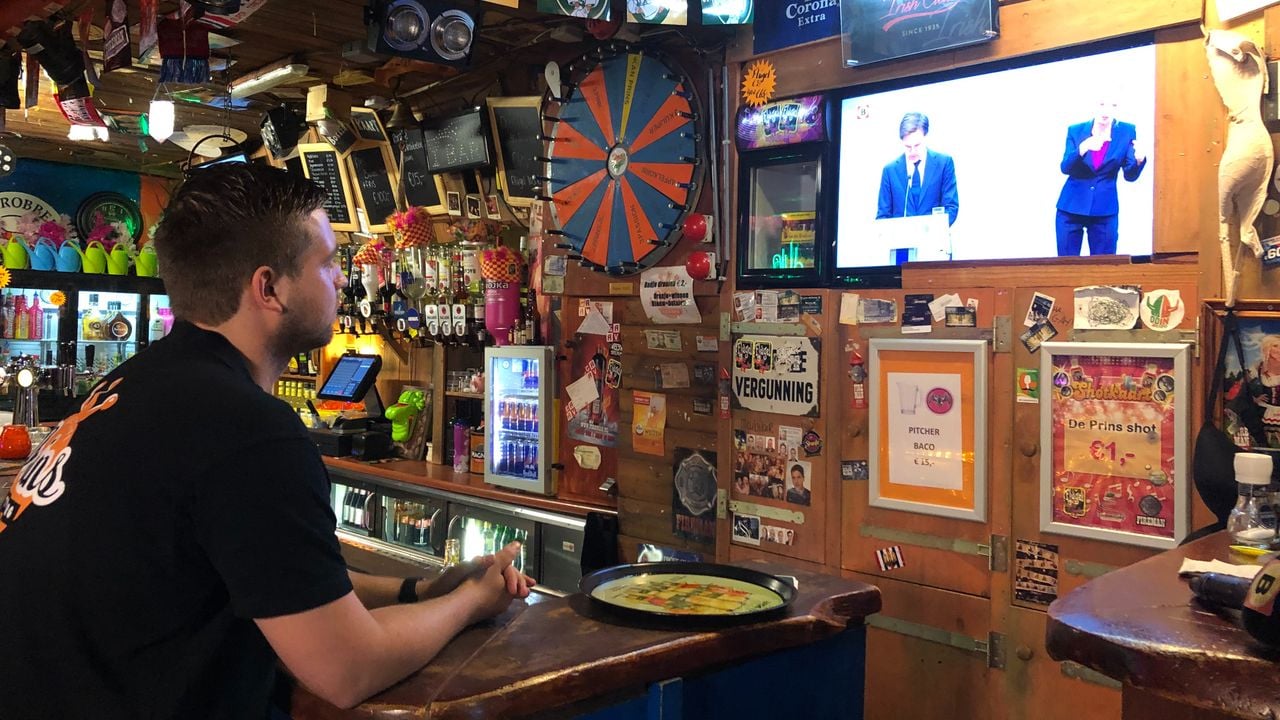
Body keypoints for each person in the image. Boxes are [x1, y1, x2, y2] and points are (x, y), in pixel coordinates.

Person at [0, 164, 533, 719]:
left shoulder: (135, 385)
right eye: (326, 264)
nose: (339, 281)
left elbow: (271, 575)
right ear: (269, 288)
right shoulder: (247, 433)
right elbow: (347, 668)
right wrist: (472, 603)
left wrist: (420, 592)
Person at [1055, 99, 1148, 256]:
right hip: (1071, 207)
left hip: (1105, 209)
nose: (1106, 111)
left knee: (1104, 268)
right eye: (1101, 104)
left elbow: (1129, 175)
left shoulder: (1127, 131)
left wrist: (1139, 161)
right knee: (1067, 267)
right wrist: (1083, 148)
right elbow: (1066, 167)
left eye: (1113, 105)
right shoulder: (1076, 130)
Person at [876, 112, 959, 226]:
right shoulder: (890, 171)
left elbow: (951, 207)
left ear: (926, 137)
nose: (913, 152)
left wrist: (929, 231)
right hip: (901, 242)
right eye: (908, 147)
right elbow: (883, 216)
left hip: (934, 240)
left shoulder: (943, 163)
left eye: (917, 145)